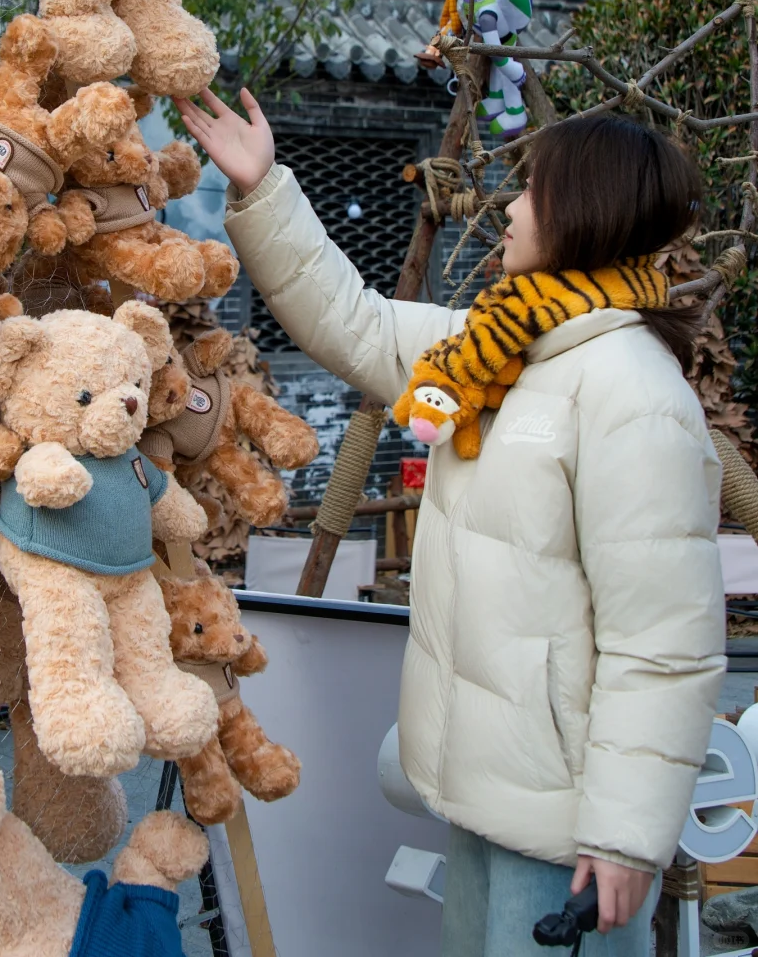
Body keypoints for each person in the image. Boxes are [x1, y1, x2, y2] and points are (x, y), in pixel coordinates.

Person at [176, 88, 725, 957]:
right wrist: (264, 187)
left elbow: (663, 640)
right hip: (485, 793)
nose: (510, 207)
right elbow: (355, 322)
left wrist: (626, 833)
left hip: (571, 831)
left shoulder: (633, 392)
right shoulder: (494, 350)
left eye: (532, 191)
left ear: (584, 212)